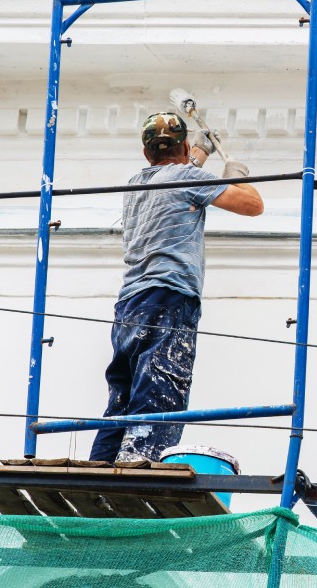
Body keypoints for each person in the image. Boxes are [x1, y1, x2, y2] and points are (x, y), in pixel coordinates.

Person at [89, 112, 264, 464]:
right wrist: (236, 175)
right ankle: (139, 463)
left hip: (130, 306)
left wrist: (199, 152)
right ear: (182, 147)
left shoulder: (136, 184)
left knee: (122, 395)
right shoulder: (187, 177)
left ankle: (100, 464)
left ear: (145, 153)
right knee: (161, 386)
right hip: (169, 297)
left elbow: (179, 172)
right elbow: (252, 205)